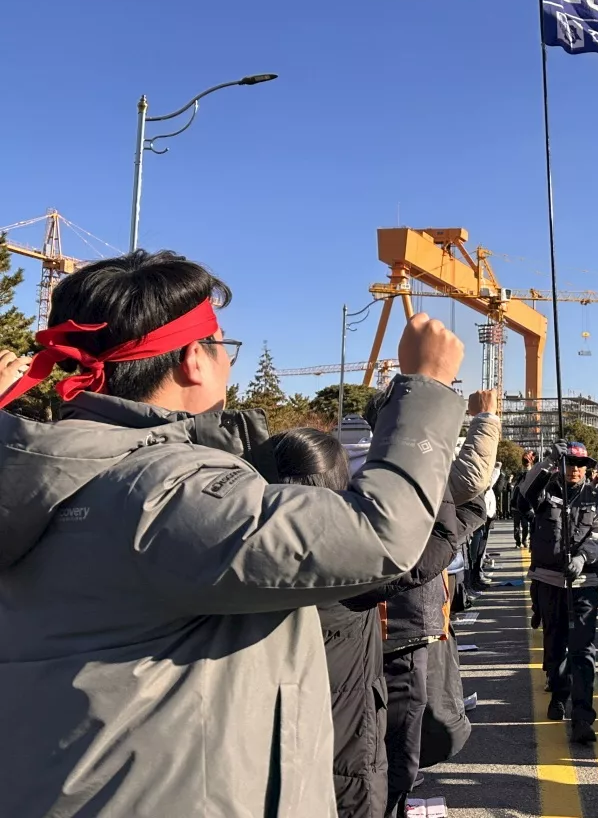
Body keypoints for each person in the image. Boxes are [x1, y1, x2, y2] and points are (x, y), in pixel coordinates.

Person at [0, 250, 466, 817]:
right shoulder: (162, 495)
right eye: (223, 345)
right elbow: (379, 534)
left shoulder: (54, 475)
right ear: (194, 358)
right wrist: (426, 388)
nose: (227, 361)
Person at [361, 388, 498, 818]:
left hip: (395, 621)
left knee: (394, 723)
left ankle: (395, 793)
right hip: (399, 622)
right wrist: (485, 420)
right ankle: (393, 799)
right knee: (401, 726)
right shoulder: (400, 470)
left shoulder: (365, 461)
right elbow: (468, 481)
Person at [261, 427, 392, 818]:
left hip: (272, 755)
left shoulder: (249, 549)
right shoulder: (351, 562)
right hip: (347, 756)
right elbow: (427, 540)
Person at [522, 442, 598, 744]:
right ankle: (558, 692)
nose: (575, 469)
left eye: (580, 464)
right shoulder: (546, 492)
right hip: (549, 581)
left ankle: (583, 716)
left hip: (583, 583)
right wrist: (546, 461)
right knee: (555, 642)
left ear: (588, 468)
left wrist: (583, 557)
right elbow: (522, 497)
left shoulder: (597, 497)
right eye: (569, 463)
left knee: (583, 650)